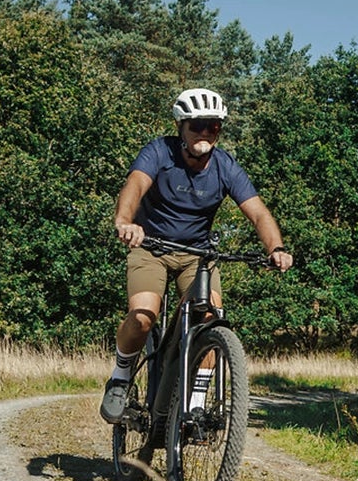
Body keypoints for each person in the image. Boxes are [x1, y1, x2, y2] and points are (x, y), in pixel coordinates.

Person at [100, 87, 293, 424]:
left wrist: (275, 248)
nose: (206, 132)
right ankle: (120, 376)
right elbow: (135, 184)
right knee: (144, 316)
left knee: (210, 318)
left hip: (197, 256)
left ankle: (196, 403)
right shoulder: (159, 152)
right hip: (151, 248)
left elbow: (259, 214)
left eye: (214, 126)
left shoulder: (225, 166)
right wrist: (125, 221)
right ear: (182, 127)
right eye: (199, 125)